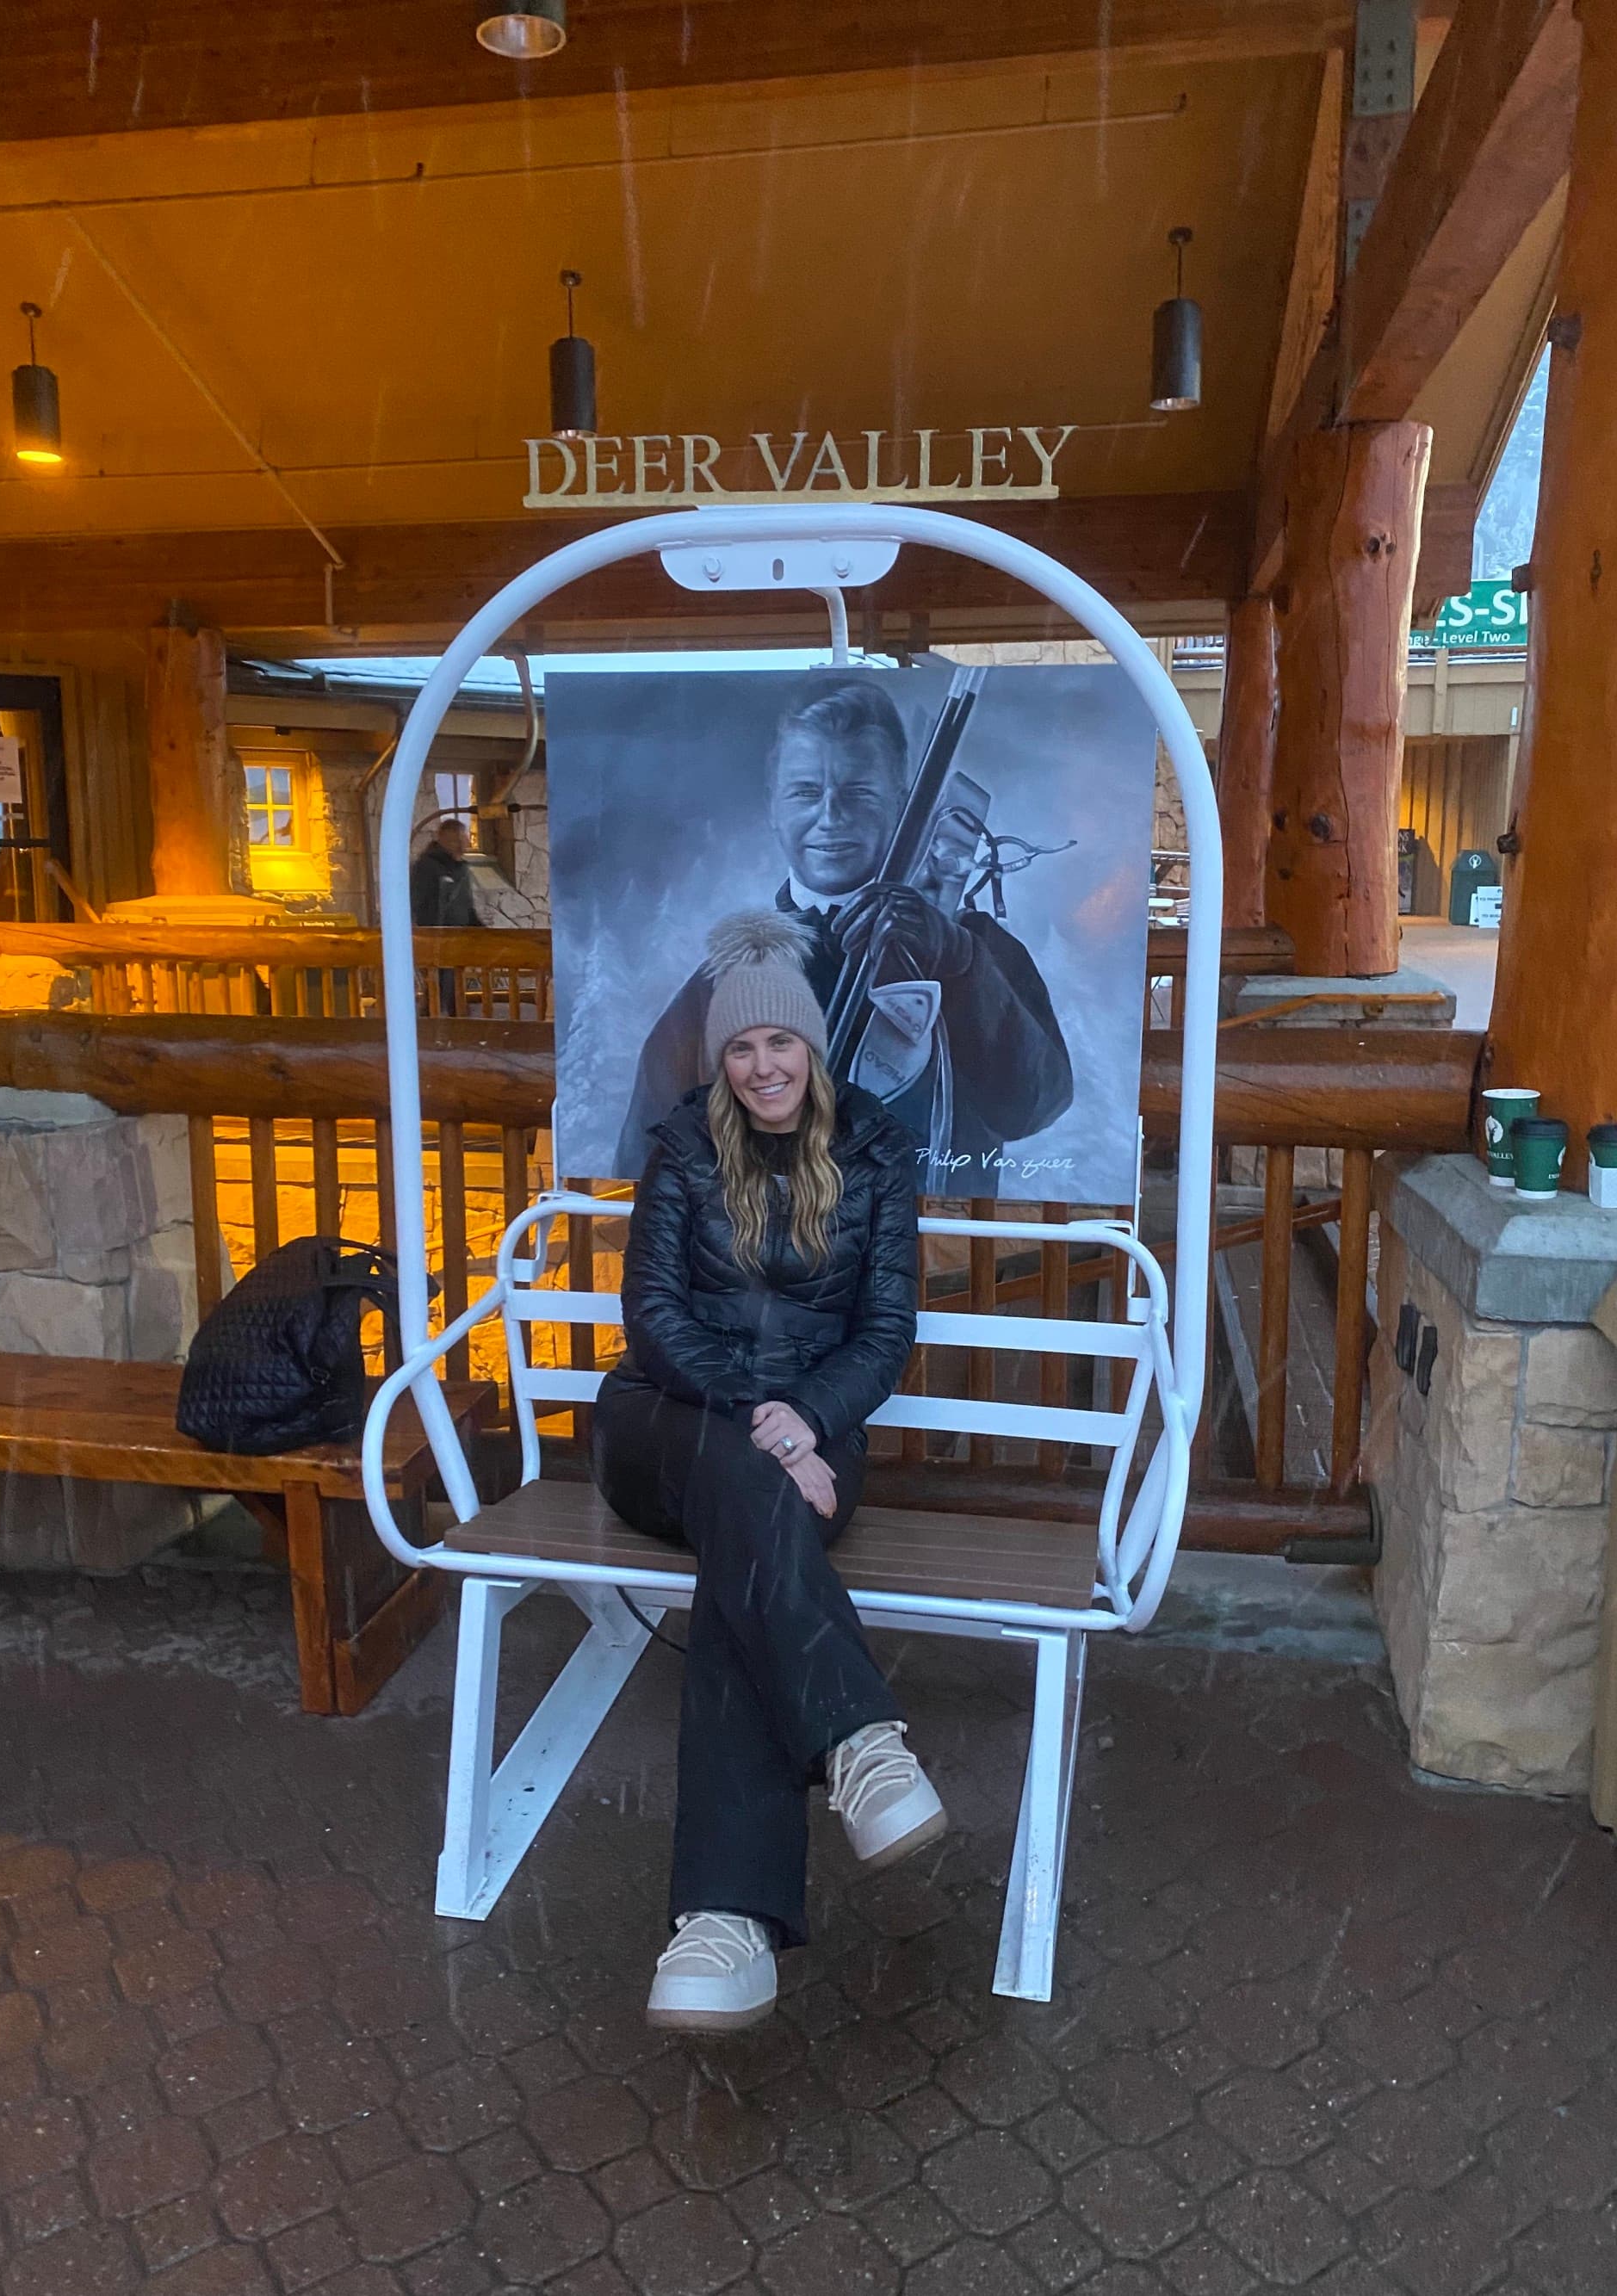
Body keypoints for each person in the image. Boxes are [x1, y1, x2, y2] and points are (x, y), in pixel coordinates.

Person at [594, 908, 946, 2033]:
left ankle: (724, 1926)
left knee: (740, 1563)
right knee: (750, 1489)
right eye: (741, 1047)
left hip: (810, 1436)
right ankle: (855, 1738)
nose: (762, 1067)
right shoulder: (684, 1146)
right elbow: (650, 1315)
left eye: (780, 1043)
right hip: (668, 1425)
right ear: (721, 1056)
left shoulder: (879, 1152)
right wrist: (766, 1417)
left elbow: (882, 1331)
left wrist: (814, 1417)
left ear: (812, 1045)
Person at [614, 675, 1073, 1176]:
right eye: (805, 792)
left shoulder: (970, 948)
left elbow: (1035, 1105)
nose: (830, 816)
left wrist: (960, 964)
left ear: (901, 802)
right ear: (773, 806)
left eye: (858, 792)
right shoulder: (724, 980)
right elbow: (650, 1158)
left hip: (931, 1249)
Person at [409, 818, 479, 1014]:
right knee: (439, 983)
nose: (467, 842)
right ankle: (440, 1023)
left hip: (458, 936)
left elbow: (466, 905)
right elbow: (416, 900)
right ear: (451, 840)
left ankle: (454, 1018)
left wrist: (478, 928)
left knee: (449, 982)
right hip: (435, 937)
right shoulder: (428, 867)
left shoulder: (461, 868)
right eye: (463, 837)